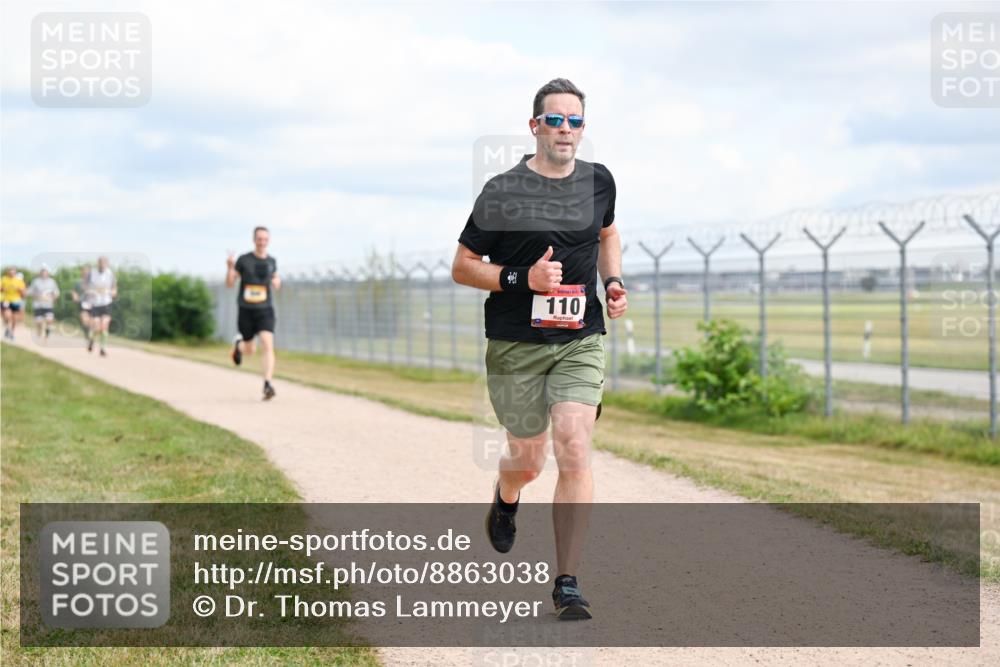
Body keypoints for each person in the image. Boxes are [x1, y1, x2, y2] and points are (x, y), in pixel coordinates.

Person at [451, 78, 627, 620]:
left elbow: (607, 235)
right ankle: (507, 495)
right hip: (516, 345)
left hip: (579, 339)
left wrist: (613, 282)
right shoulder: (502, 191)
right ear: (535, 127)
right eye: (556, 120)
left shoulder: (600, 182)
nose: (567, 130)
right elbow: (462, 266)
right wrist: (521, 278)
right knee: (527, 461)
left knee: (574, 444)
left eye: (576, 121)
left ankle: (567, 581)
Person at [226, 226, 281, 400]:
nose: (262, 242)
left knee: (267, 343)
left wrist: (277, 280)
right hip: (246, 310)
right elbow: (229, 283)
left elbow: (276, 277)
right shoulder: (243, 260)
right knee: (250, 349)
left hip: (265, 310)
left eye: (265, 239)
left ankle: (267, 384)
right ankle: (239, 347)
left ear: (269, 241)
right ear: (254, 239)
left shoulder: (272, 261)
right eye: (259, 238)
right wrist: (229, 268)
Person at [87, 257, 117, 356]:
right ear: (98, 263)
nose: (102, 265)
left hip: (106, 303)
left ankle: (102, 349)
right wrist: (90, 292)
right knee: (96, 327)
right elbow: (86, 287)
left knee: (104, 326)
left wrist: (112, 293)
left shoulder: (110, 274)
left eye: (104, 263)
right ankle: (92, 340)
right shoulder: (92, 273)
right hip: (95, 304)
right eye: (100, 263)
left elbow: (114, 289)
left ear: (107, 264)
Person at [27, 265, 60, 340]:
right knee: (39, 322)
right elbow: (30, 292)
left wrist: (54, 297)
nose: (44, 274)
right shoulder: (35, 281)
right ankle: (39, 330)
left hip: (48, 305)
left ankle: (47, 333)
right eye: (43, 272)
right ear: (40, 273)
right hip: (38, 305)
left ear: (48, 273)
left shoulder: (52, 282)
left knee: (49, 319)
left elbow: (56, 292)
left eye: (45, 272)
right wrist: (36, 295)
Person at [2, 266, 27, 341]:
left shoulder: (19, 281)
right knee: (7, 316)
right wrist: (4, 289)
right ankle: (7, 327)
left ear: (15, 272)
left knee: (14, 319)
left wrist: (20, 290)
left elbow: (24, 294)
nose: (11, 272)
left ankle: (12, 332)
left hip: (16, 301)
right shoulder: (4, 279)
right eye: (10, 270)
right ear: (8, 271)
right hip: (6, 300)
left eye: (13, 271)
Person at [71, 265, 93, 335]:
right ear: (81, 272)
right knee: (84, 320)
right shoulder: (78, 282)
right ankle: (88, 335)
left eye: (87, 271)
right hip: (83, 303)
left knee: (91, 322)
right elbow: (73, 291)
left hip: (94, 304)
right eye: (84, 271)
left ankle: (90, 334)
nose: (85, 272)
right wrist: (75, 296)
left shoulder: (94, 282)